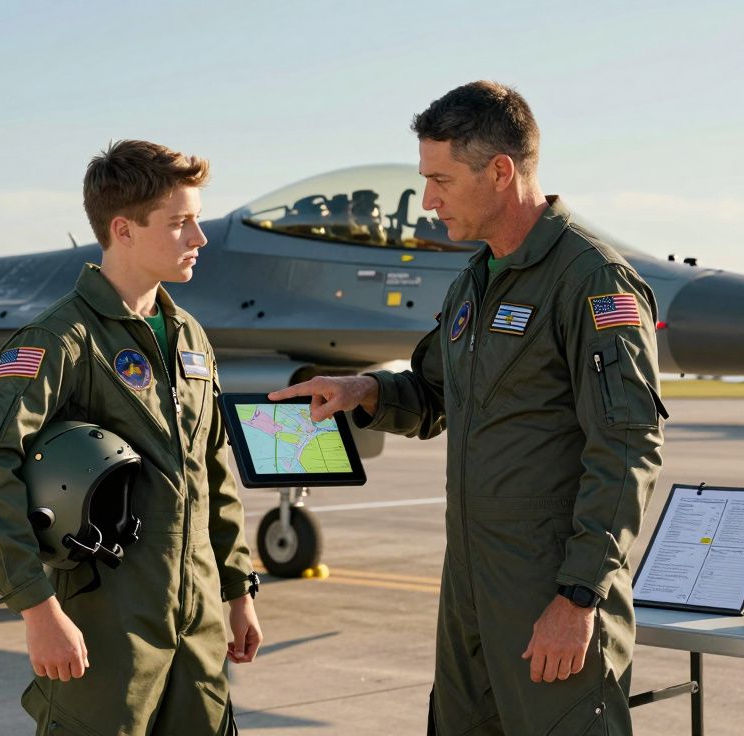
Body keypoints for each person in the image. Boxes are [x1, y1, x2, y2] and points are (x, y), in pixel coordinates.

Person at [270, 82, 666, 735]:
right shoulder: (472, 284)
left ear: (501, 171)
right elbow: (433, 395)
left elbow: (626, 446)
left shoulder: (590, 279)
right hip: (471, 593)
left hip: (550, 592)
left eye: (442, 179)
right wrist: (364, 391)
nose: (429, 199)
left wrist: (578, 596)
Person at [0, 139, 262, 735]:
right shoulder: (60, 340)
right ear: (124, 229)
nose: (199, 238)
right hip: (103, 628)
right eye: (180, 224)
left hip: (196, 634)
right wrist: (38, 610)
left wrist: (238, 588)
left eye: (196, 220)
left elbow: (212, 470)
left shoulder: (190, 337)